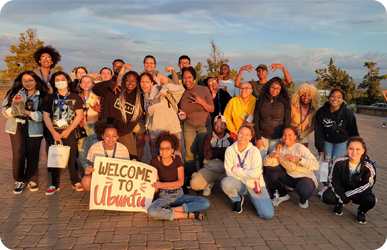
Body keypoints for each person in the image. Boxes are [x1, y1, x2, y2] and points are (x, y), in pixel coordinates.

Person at [147, 131, 210, 221]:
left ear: (172, 150)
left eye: (167, 148)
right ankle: (189, 215)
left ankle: (170, 210)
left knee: (205, 202)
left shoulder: (177, 159)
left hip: (179, 195)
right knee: (151, 211)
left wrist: (161, 185)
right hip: (164, 196)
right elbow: (155, 182)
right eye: (161, 148)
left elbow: (180, 182)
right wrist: (154, 198)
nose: (164, 151)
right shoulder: (155, 161)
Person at [2, 71, 48, 194]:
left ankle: (31, 179)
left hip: (35, 127)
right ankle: (19, 180)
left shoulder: (42, 95)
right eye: (24, 80)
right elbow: (4, 109)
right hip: (16, 126)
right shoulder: (15, 93)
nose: (27, 83)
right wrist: (14, 109)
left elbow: (45, 115)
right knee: (18, 153)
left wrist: (29, 113)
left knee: (33, 153)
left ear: (36, 81)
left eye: (30, 80)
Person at [41, 71, 84, 195]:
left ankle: (75, 181)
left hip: (69, 132)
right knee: (54, 158)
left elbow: (79, 115)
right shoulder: (49, 97)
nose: (60, 81)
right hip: (53, 132)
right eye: (57, 80)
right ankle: (54, 183)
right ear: (54, 83)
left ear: (67, 81)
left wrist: (68, 130)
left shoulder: (75, 97)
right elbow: (46, 116)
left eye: (62, 79)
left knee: (71, 158)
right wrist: (53, 132)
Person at [221, 124, 274, 219]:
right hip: (240, 184)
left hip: (255, 185)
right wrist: (248, 173)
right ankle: (237, 199)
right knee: (226, 182)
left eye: (246, 134)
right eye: (241, 133)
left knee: (267, 215)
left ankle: (255, 199)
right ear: (237, 134)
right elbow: (229, 172)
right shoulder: (230, 150)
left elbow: (256, 174)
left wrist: (236, 170)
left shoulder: (254, 151)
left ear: (250, 137)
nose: (243, 136)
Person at [315, 88, 359, 196]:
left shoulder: (348, 113)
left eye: (339, 97)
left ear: (342, 99)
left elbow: (353, 130)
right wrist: (320, 147)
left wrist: (355, 145)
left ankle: (334, 186)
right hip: (327, 141)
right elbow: (318, 131)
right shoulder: (321, 112)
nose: (335, 99)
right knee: (326, 163)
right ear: (329, 98)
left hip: (342, 141)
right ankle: (326, 186)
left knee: (336, 163)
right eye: (333, 96)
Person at [322, 136, 376, 224]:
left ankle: (361, 212)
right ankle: (339, 204)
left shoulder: (368, 167)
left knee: (371, 199)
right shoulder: (339, 162)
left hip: (358, 193)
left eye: (358, 149)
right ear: (347, 149)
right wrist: (342, 197)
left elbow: (366, 186)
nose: (354, 152)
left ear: (363, 151)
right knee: (327, 196)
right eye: (351, 149)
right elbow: (333, 181)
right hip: (342, 191)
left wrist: (346, 196)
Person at [264, 126, 319, 208]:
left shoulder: (300, 148)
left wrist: (300, 159)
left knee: (304, 190)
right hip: (290, 177)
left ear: (295, 137)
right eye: (284, 135)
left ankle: (303, 199)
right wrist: (271, 156)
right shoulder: (280, 148)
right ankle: (282, 194)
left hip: (304, 177)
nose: (286, 137)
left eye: (290, 135)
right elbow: (265, 163)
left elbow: (316, 165)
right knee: (269, 169)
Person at [92, 71, 143, 159]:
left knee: (131, 157)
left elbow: (138, 116)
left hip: (124, 130)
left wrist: (125, 130)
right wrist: (109, 83)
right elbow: (95, 89)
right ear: (123, 81)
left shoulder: (138, 98)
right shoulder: (113, 90)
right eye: (128, 80)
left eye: (134, 81)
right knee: (105, 157)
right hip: (106, 129)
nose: (130, 83)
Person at [179, 66, 214, 189]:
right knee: (189, 153)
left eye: (189, 77)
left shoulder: (203, 90)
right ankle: (190, 177)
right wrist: (181, 117)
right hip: (188, 124)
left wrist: (201, 102)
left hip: (204, 125)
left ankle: (204, 179)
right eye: (184, 78)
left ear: (194, 78)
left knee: (203, 151)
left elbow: (211, 108)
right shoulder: (181, 91)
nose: (187, 80)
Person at [139, 72, 185, 158]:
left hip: (171, 130)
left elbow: (181, 89)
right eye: (142, 82)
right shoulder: (143, 96)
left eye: (147, 82)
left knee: (176, 157)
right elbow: (149, 116)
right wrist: (148, 131)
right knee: (158, 158)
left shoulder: (159, 88)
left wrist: (165, 88)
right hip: (156, 132)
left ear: (152, 83)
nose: (144, 84)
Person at [81, 117, 130, 192]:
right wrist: (88, 170)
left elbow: (126, 169)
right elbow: (94, 167)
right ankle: (95, 198)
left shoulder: (123, 149)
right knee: (86, 181)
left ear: (118, 136)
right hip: (100, 178)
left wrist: (132, 165)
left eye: (114, 136)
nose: (111, 139)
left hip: (117, 178)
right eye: (107, 136)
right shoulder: (94, 148)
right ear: (103, 136)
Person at [190, 115, 235, 196]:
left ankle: (215, 182)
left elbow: (231, 158)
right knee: (194, 185)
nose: (219, 127)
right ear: (213, 126)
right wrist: (224, 152)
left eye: (222, 124)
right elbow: (206, 155)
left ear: (225, 126)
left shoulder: (230, 140)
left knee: (233, 187)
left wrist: (213, 151)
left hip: (225, 171)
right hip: (209, 169)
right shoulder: (208, 137)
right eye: (216, 124)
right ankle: (207, 182)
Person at [254, 77, 291, 159]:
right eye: (272, 88)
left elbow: (287, 121)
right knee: (259, 160)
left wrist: (282, 140)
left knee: (273, 161)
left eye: (277, 88)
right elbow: (256, 120)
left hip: (278, 138)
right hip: (262, 137)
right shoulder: (261, 100)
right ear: (268, 87)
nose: (274, 90)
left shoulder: (285, 102)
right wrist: (258, 138)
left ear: (281, 89)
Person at [77, 75, 101, 170]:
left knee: (95, 152)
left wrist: (91, 103)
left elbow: (101, 110)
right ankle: (87, 172)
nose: (86, 84)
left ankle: (96, 172)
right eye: (84, 82)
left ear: (93, 84)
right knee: (82, 152)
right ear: (80, 84)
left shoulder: (98, 97)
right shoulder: (77, 97)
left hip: (94, 126)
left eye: (89, 82)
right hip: (81, 126)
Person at [290, 83, 321, 147]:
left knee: (303, 154)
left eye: (309, 95)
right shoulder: (293, 107)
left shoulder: (314, 110)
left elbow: (313, 125)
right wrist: (294, 133)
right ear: (299, 96)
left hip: (304, 134)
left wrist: (303, 135)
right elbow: (287, 122)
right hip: (291, 133)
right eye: (303, 95)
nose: (306, 98)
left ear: (313, 96)